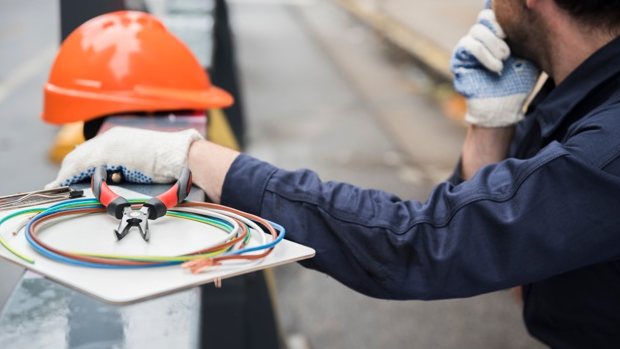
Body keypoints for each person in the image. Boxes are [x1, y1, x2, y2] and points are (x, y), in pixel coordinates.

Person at [46, 0, 620, 347]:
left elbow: (423, 244)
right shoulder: (583, 99)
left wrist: (192, 158)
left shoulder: (606, 149)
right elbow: (499, 246)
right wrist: (490, 123)